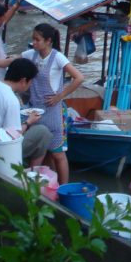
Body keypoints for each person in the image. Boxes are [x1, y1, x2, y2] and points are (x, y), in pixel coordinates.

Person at [21, 23, 83, 185]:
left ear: (48, 41)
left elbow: (79, 78)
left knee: (58, 154)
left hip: (53, 113)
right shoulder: (30, 55)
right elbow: (12, 62)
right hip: (35, 113)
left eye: (37, 39)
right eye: (33, 39)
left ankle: (63, 189)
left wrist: (59, 96)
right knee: (41, 153)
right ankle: (47, 187)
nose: (33, 42)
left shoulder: (57, 57)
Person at [0, 57, 50, 168]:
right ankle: (33, 176)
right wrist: (29, 122)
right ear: (24, 81)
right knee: (43, 132)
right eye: (31, 82)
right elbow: (13, 135)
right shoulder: (11, 99)